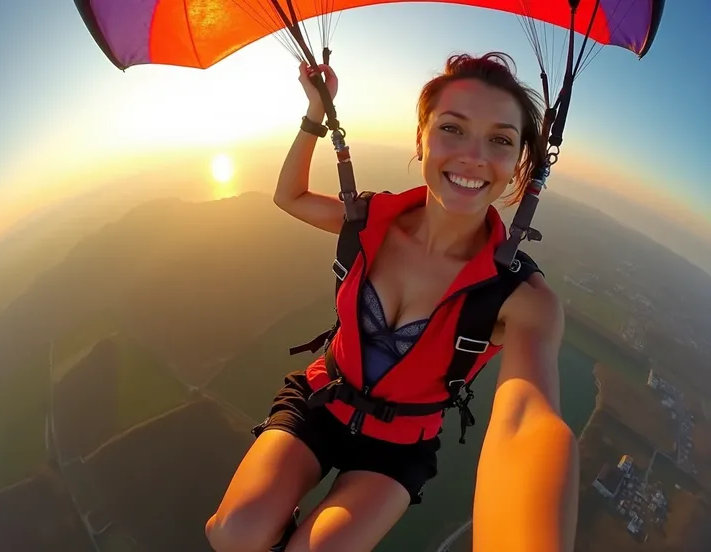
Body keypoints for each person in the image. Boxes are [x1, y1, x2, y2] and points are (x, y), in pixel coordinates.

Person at [205, 52, 579, 552]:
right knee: (233, 534)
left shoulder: (520, 298)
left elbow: (528, 423)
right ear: (421, 138)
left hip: (399, 446)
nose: (473, 156)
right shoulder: (369, 223)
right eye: (453, 128)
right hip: (322, 400)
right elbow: (289, 197)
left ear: (518, 167)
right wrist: (317, 111)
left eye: (500, 140)